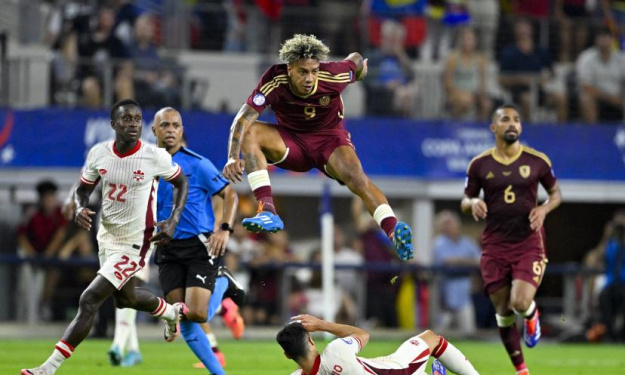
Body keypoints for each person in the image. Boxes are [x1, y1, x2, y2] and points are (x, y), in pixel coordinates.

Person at [21, 99, 189, 375]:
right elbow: (82, 189)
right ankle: (171, 313)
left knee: (89, 299)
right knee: (126, 299)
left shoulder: (153, 156)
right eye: (127, 119)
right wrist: (79, 206)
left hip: (136, 242)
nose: (133, 124)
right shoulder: (99, 153)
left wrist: (173, 220)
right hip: (107, 238)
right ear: (114, 124)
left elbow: (182, 182)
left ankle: (47, 368)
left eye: (137, 119)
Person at [222, 34, 413, 261]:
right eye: (303, 72)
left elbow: (356, 59)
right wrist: (233, 157)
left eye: (314, 71)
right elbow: (242, 119)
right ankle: (267, 210)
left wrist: (361, 71)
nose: (310, 78)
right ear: (290, 68)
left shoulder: (334, 74)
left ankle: (392, 231)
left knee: (357, 178)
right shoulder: (274, 78)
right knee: (251, 130)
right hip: (291, 142)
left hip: (329, 141)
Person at [461, 104, 562, 375]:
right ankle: (521, 370)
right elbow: (465, 198)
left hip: (528, 242)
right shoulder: (480, 164)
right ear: (494, 127)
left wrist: (543, 208)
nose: (513, 124)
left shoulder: (537, 161)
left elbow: (556, 195)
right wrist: (472, 204)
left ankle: (531, 315)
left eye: (517, 120)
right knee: (503, 312)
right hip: (494, 245)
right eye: (506, 120)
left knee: (519, 302)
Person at [151, 107, 243, 375]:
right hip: (166, 247)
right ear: (155, 130)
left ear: (181, 130)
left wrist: (224, 229)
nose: (170, 130)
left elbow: (230, 195)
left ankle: (223, 284)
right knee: (182, 317)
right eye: (165, 125)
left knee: (197, 314)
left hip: (199, 245)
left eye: (176, 125)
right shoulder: (146, 166)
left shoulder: (198, 163)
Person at [277, 314, 480, 375]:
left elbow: (305, 365)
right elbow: (363, 334)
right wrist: (322, 325)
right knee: (431, 338)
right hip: (400, 371)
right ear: (311, 340)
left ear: (287, 356)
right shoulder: (335, 352)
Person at [432, 210, 481, 336]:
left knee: (469, 333)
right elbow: (447, 261)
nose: (448, 227)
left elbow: (480, 260)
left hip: (464, 295)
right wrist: (466, 261)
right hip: (444, 298)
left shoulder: (466, 242)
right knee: (439, 336)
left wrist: (459, 260)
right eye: (445, 224)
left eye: (450, 223)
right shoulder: (439, 242)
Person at [575, 27, 625, 123]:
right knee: (586, 98)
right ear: (596, 40)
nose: (604, 40)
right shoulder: (586, 58)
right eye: (601, 37)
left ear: (612, 40)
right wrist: (611, 99)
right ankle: (592, 132)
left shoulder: (621, 58)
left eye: (606, 37)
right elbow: (585, 86)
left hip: (619, 98)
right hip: (597, 98)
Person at [443, 27, 493, 121]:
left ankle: (479, 127)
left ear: (475, 42)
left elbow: (482, 82)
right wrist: (459, 94)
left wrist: (481, 94)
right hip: (456, 93)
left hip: (474, 93)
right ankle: (453, 122)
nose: (467, 43)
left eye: (470, 40)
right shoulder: (453, 58)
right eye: (465, 39)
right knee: (465, 101)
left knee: (486, 104)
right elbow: (447, 83)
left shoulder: (480, 59)